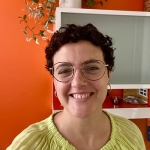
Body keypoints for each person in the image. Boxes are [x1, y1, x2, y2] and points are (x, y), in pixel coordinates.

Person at [7, 23, 146, 150]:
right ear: (54, 80)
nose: (78, 82)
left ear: (108, 73)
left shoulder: (131, 134)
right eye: (64, 71)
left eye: (92, 68)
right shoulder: (29, 145)